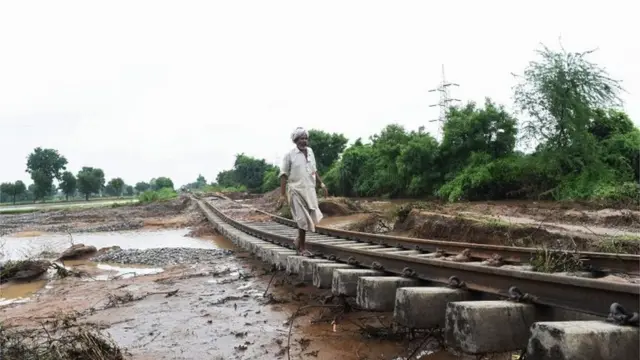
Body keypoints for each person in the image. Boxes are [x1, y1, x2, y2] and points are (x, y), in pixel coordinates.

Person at [278, 127, 328, 256]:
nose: (304, 141)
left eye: (306, 138)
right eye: (301, 139)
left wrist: (321, 183)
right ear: (295, 140)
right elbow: (283, 175)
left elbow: (313, 170)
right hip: (295, 190)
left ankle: (298, 241)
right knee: (302, 220)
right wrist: (282, 195)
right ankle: (302, 249)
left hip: (309, 190)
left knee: (310, 217)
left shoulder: (310, 152)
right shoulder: (289, 155)